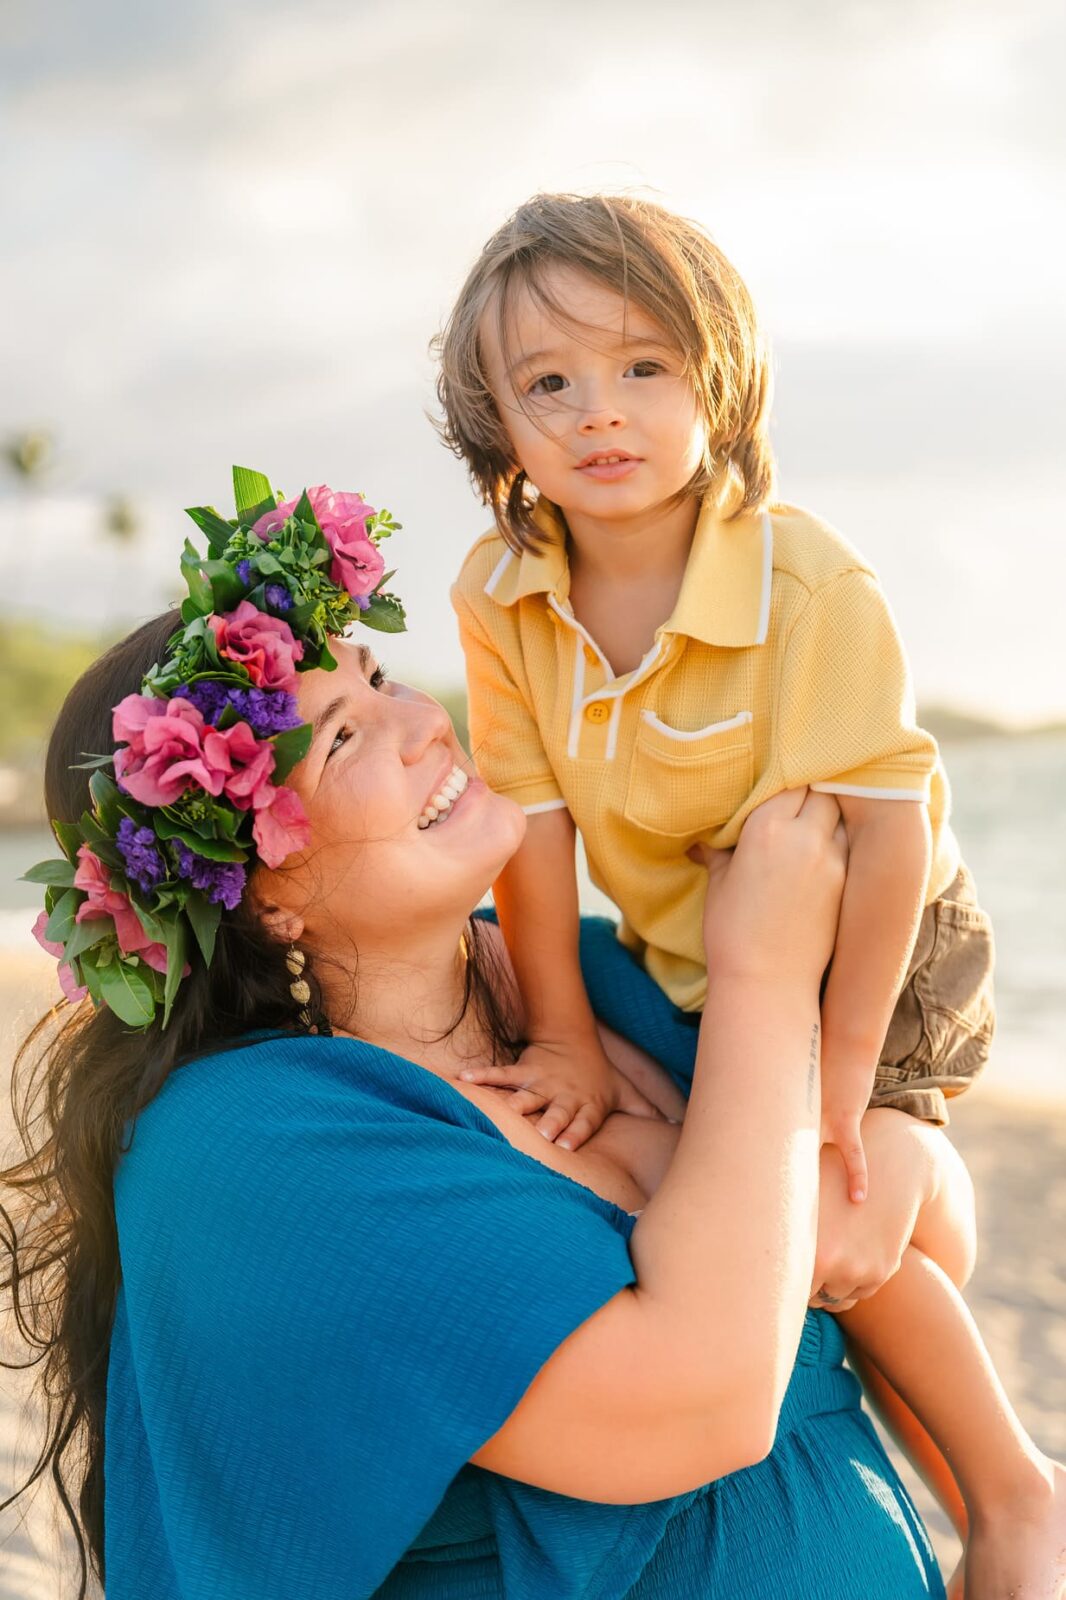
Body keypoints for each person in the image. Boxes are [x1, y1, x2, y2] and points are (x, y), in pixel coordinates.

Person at [3, 472, 980, 1599]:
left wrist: (902, 1143)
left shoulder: (590, 979)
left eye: (382, 676)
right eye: (342, 737)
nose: (425, 724)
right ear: (261, 894)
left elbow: (914, 1250)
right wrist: (763, 969)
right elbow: (702, 1400)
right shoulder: (242, 1147)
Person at [440, 193, 1065, 1594]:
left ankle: (1019, 1496)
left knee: (844, 1226)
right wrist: (554, 1034)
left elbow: (890, 842)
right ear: (495, 422)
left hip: (878, 940)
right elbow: (529, 832)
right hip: (701, 950)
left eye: (643, 366)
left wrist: (847, 1092)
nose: (599, 412)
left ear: (718, 378)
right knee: (773, 1213)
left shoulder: (804, 581)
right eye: (548, 383)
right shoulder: (501, 591)